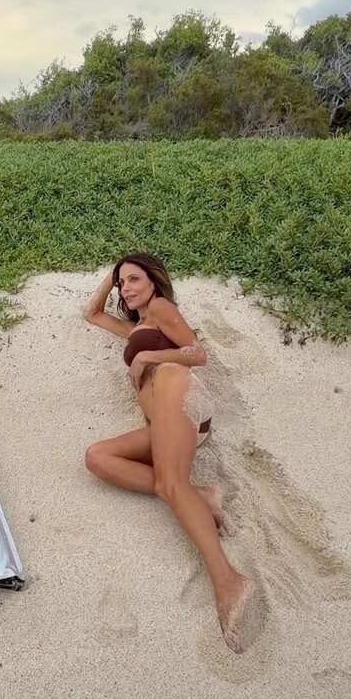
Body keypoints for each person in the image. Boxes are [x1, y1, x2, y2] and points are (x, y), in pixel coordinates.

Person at [83, 253, 255, 653]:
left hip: (179, 392)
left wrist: (149, 356)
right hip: (165, 421)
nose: (126, 288)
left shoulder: (160, 308)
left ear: (154, 282)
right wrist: (111, 277)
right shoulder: (136, 327)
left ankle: (229, 580)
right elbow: (92, 314)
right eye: (122, 283)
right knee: (98, 458)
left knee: (169, 484)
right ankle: (204, 495)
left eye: (134, 279)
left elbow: (198, 353)